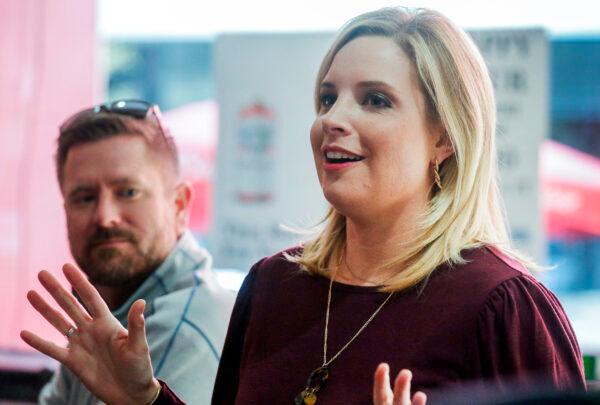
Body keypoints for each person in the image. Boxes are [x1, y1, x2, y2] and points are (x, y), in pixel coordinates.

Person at [21, 7, 586, 405]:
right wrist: (143, 401)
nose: (333, 119)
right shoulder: (271, 286)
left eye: (375, 100)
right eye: (327, 97)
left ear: (445, 137)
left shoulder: (504, 307)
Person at [30, 100, 235, 404]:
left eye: (128, 192)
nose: (105, 216)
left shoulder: (187, 326)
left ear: (179, 205)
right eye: (84, 197)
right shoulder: (105, 312)